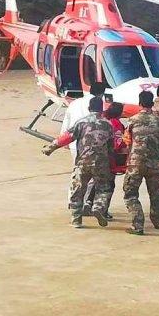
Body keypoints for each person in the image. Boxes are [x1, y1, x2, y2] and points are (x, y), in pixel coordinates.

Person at [42, 96, 113, 228]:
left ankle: (76, 220)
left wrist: (50, 148)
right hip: (101, 163)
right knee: (103, 188)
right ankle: (98, 207)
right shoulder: (108, 125)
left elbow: (66, 138)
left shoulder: (81, 123)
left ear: (89, 108)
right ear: (102, 109)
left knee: (78, 190)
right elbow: (111, 146)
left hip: (83, 162)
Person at [122, 91, 159, 235]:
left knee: (130, 194)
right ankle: (157, 221)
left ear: (140, 103)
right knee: (155, 193)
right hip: (153, 163)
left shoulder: (132, 120)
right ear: (152, 104)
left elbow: (127, 140)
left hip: (135, 164)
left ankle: (138, 225)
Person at [84, 102, 126, 219]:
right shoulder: (116, 124)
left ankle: (88, 203)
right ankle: (102, 209)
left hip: (94, 157)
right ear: (119, 113)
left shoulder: (101, 121)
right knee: (108, 185)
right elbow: (117, 143)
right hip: (109, 159)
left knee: (94, 181)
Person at [60, 82, 106, 160]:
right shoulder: (98, 105)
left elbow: (66, 122)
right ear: (102, 94)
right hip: (91, 145)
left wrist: (63, 140)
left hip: (74, 144)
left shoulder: (74, 103)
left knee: (78, 166)